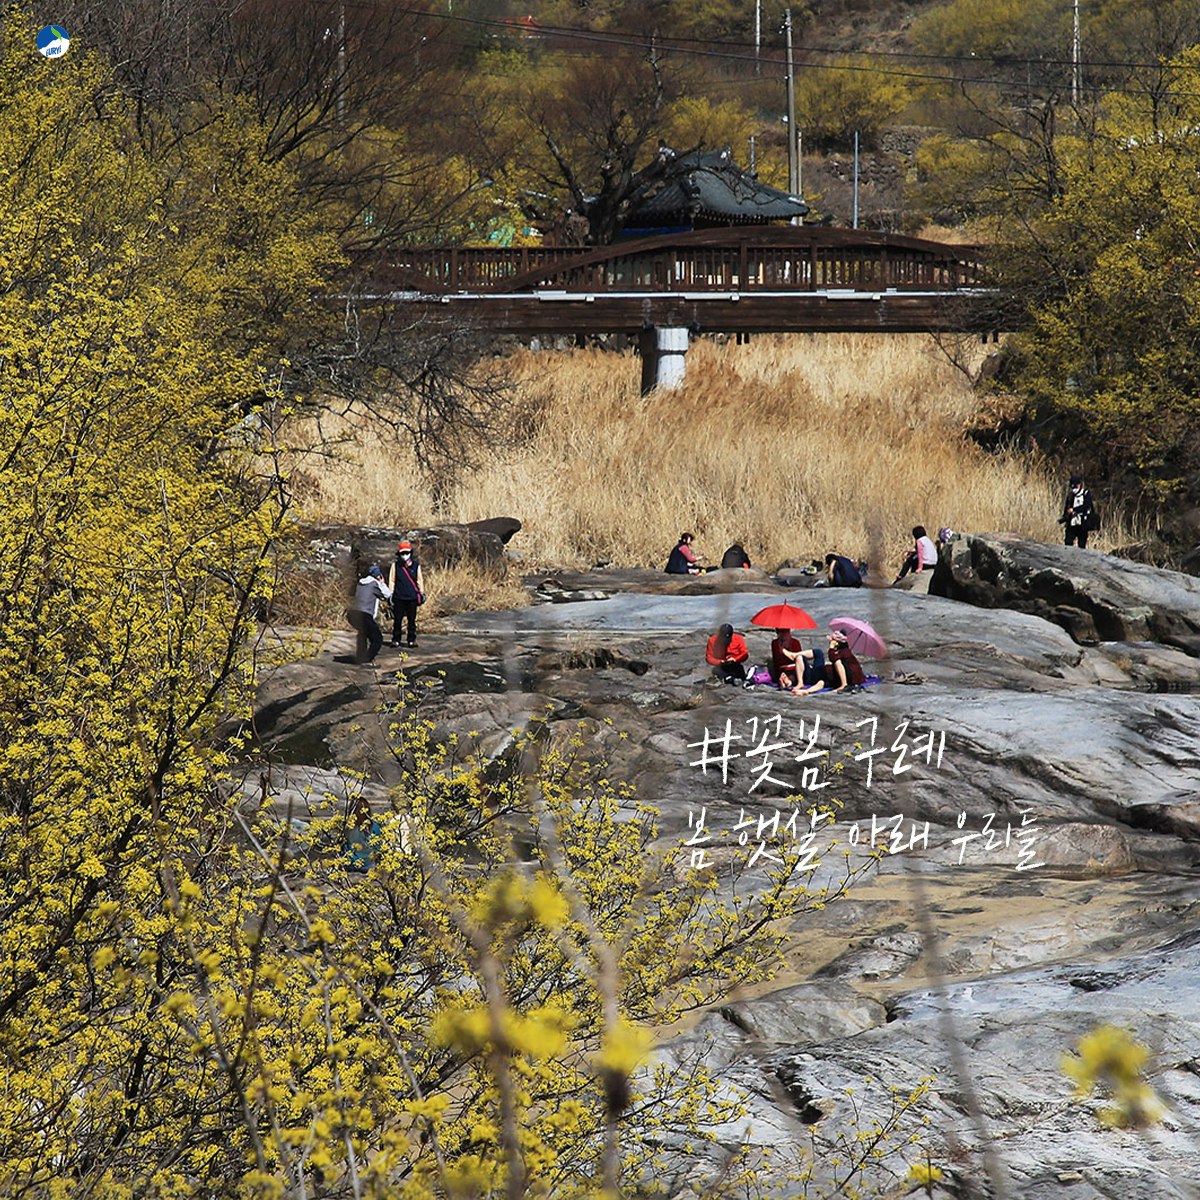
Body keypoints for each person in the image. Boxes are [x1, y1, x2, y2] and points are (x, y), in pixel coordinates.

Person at [795, 631, 865, 695]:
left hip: (816, 675)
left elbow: (833, 658)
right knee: (817, 654)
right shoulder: (845, 652)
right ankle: (793, 655)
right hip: (825, 674)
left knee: (813, 654)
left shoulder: (839, 655)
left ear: (836, 643)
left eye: (831, 641)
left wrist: (831, 648)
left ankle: (794, 656)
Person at [348, 563, 392, 664]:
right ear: (378, 575)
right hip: (365, 614)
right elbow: (388, 595)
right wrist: (382, 583)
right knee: (377, 639)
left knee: (362, 634)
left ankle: (360, 656)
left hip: (353, 613)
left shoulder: (360, 583)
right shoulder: (375, 584)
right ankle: (367, 660)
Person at [388, 540, 425, 648]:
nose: (405, 555)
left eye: (406, 553)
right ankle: (396, 639)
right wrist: (390, 593)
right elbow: (392, 580)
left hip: (412, 597)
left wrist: (422, 592)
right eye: (403, 553)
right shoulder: (395, 566)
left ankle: (411, 640)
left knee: (411, 620)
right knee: (397, 620)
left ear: (410, 553)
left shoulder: (416, 566)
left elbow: (419, 580)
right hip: (398, 596)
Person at [1059, 475, 1094, 548]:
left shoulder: (1086, 494)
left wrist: (1074, 510)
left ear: (1079, 485)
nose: (1073, 489)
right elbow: (1067, 508)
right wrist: (1064, 517)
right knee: (1068, 542)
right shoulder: (1070, 496)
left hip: (1082, 523)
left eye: (1075, 487)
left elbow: (1087, 506)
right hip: (1072, 523)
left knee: (1081, 545)